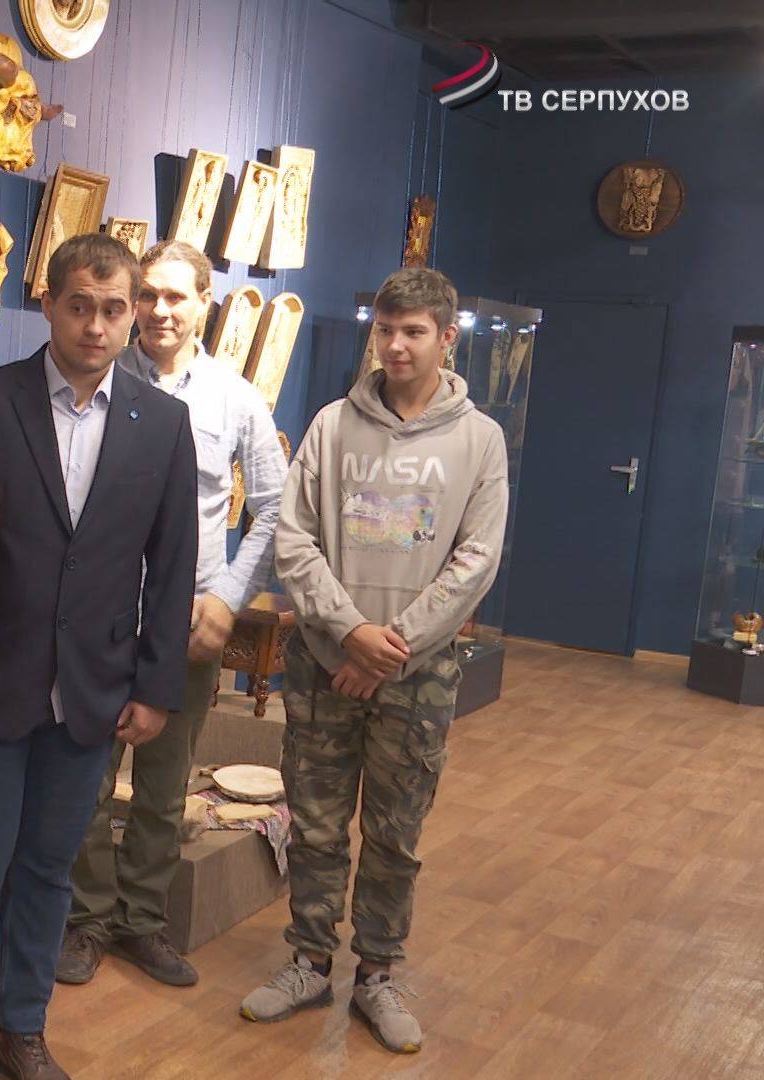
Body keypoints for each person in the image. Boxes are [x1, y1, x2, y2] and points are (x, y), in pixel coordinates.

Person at [0, 234, 199, 1080]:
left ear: (132, 314)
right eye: (79, 307)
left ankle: (21, 1030)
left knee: (48, 867)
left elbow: (172, 566)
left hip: (94, 691)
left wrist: (156, 686)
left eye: (113, 310)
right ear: (48, 305)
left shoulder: (162, 424)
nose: (96, 327)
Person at [239, 267, 508, 1054]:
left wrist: (390, 648)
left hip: (416, 675)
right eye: (385, 329)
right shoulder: (331, 425)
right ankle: (309, 961)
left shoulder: (479, 440)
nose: (395, 345)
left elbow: (476, 560)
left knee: (395, 834)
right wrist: (350, 631)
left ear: (446, 338)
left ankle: (379, 975)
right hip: (326, 662)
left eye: (413, 331)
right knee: (317, 825)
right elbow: (294, 539)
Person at [59, 239, 288, 987]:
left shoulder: (235, 399)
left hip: (189, 623)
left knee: (164, 784)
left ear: (204, 304)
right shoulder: (95, 377)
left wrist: (228, 599)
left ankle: (141, 921)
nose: (160, 310)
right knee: (87, 780)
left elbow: (275, 507)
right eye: (148, 295)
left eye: (176, 296)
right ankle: (86, 919)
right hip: (99, 619)